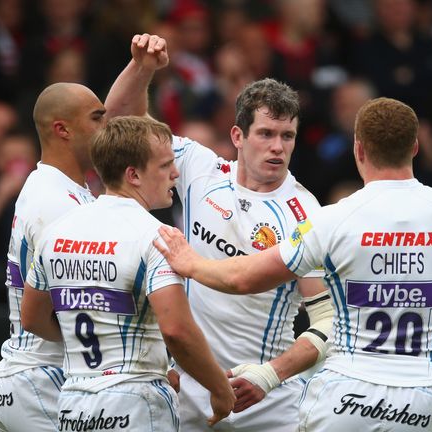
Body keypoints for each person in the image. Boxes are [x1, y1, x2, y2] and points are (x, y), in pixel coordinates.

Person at [154, 97, 432, 431]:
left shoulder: (331, 219)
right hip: (422, 393)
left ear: (359, 150)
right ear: (415, 147)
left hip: (347, 392)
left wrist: (189, 263)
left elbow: (242, 278)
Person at [0, 33, 170, 432]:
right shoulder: (57, 204)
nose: (108, 126)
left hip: (25, 377)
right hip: (43, 379)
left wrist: (141, 69)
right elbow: (40, 317)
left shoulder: (58, 188)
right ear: (62, 130)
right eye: (96, 118)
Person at [140, 77, 332, 430]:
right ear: (237, 137)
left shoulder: (306, 214)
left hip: (265, 400)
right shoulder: (202, 169)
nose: (278, 147)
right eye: (265, 134)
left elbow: (327, 322)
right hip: (189, 392)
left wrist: (270, 375)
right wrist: (141, 68)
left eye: (287, 136)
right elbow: (127, 129)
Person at [20, 115, 235, 430]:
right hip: (134, 402)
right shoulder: (157, 236)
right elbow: (177, 331)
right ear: (133, 175)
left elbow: (32, 319)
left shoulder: (56, 232)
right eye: (165, 166)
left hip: (74, 405)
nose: (175, 174)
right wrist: (219, 389)